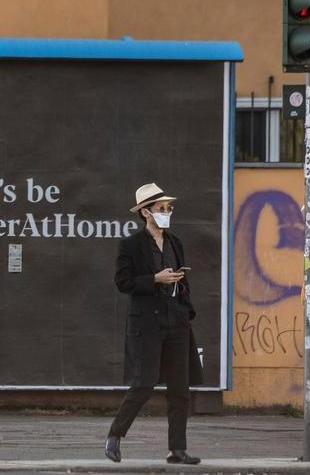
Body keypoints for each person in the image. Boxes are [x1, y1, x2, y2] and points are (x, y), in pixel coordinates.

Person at [104, 183, 203, 465]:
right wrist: (155, 280)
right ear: (146, 212)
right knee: (144, 383)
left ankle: (177, 450)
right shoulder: (131, 245)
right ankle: (114, 435)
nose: (167, 212)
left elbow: (183, 280)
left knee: (180, 388)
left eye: (169, 208)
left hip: (177, 320)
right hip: (148, 323)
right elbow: (123, 283)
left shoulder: (175, 242)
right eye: (161, 208)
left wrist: (182, 297)